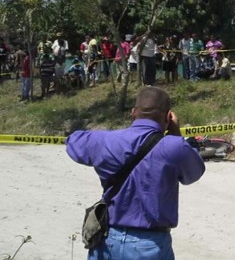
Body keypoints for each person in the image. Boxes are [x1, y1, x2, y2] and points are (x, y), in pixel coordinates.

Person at [66, 87, 205, 259]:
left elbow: (73, 141)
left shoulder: (104, 141)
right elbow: (195, 172)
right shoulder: (175, 147)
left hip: (107, 240)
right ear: (168, 116)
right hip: (150, 245)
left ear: (133, 113)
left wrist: (112, 138)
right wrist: (176, 134)